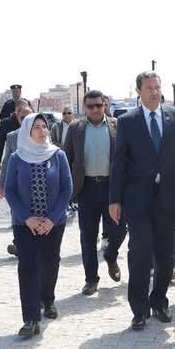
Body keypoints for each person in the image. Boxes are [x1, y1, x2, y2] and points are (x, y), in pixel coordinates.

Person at [109, 71, 175, 331]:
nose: (154, 92)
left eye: (157, 87)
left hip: (170, 197)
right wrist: (114, 199)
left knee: (165, 254)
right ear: (139, 91)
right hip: (137, 199)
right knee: (140, 252)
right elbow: (119, 162)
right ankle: (139, 309)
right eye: (149, 88)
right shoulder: (127, 121)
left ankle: (159, 301)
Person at [4, 113, 72, 338]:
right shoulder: (17, 158)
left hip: (54, 222)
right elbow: (10, 191)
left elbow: (66, 189)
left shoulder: (58, 155)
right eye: (37, 127)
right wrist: (27, 218)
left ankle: (48, 299)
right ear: (27, 131)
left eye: (44, 127)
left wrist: (52, 218)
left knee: (50, 262)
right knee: (28, 267)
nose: (42, 131)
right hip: (24, 224)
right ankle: (31, 318)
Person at [62, 89, 125, 295]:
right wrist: (68, 191)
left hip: (112, 187)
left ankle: (111, 256)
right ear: (85, 108)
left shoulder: (118, 125)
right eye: (91, 106)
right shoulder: (75, 128)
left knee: (119, 230)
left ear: (105, 105)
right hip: (86, 188)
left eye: (99, 105)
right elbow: (66, 159)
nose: (95, 109)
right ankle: (91, 279)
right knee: (88, 237)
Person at [0, 103, 35, 256]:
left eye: (29, 116)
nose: (26, 120)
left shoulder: (43, 134)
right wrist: (2, 184)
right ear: (19, 119)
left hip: (39, 185)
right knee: (17, 215)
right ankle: (19, 244)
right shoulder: (12, 137)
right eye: (22, 117)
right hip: (19, 185)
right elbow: (6, 162)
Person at [0, 99, 31, 174]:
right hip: (12, 160)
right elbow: (0, 143)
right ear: (16, 110)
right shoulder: (6, 123)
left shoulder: (32, 122)